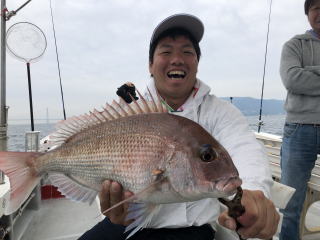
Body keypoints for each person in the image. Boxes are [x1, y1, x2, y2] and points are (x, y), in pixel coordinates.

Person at [79, 13, 279, 240]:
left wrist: (253, 192)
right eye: (166, 51)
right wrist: (111, 201)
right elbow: (98, 165)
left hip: (192, 230)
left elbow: (246, 149)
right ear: (150, 65)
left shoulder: (220, 112)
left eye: (187, 52)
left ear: (196, 63)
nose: (177, 59)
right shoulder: (127, 113)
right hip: (125, 223)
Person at [279, 1, 320, 239]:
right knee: (290, 204)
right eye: (315, 7)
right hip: (299, 130)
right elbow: (293, 79)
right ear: (307, 14)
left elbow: (302, 78)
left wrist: (311, 71)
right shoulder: (294, 45)